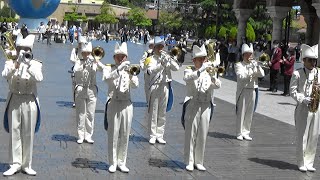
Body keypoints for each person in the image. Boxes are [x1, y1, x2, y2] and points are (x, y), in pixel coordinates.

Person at [2, 34, 43, 176]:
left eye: (26, 49)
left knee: (28, 133)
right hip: (14, 99)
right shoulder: (10, 62)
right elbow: (5, 75)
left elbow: (39, 78)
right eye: (20, 48)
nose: (23, 51)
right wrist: (16, 64)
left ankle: (27, 164)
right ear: (17, 48)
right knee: (14, 131)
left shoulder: (36, 63)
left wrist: (28, 64)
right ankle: (14, 163)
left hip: (30, 100)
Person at [182, 44, 221, 172]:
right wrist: (200, 70)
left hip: (206, 105)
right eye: (199, 59)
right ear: (194, 60)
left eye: (204, 58)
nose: (203, 61)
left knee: (202, 133)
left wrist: (214, 77)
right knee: (191, 133)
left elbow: (218, 86)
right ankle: (189, 161)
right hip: (193, 104)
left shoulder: (208, 72)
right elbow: (187, 78)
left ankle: (199, 161)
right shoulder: (189, 70)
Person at [103, 42, 138, 173]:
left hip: (127, 104)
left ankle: (122, 161)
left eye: (123, 56)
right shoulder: (109, 68)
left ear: (126, 57)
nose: (120, 58)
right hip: (113, 103)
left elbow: (135, 86)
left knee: (125, 133)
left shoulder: (130, 70)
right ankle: (112, 162)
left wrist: (132, 75)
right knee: (113, 133)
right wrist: (119, 69)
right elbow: (106, 79)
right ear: (114, 57)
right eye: (118, 56)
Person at [290, 44, 319, 172]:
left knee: (314, 135)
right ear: (304, 60)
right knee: (302, 135)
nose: (313, 63)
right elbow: (292, 91)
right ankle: (301, 162)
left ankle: (309, 162)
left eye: (314, 60)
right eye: (310, 60)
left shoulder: (318, 72)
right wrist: (302, 98)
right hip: (303, 108)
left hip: (316, 108)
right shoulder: (297, 73)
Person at [146, 36, 179, 144]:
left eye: (162, 46)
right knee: (154, 111)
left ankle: (160, 135)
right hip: (155, 85)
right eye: (158, 47)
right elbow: (151, 71)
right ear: (154, 48)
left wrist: (170, 58)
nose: (160, 49)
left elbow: (176, 68)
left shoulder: (166, 57)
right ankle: (152, 135)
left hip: (165, 85)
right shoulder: (150, 59)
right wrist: (162, 64)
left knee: (162, 111)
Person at [73, 41, 104, 144]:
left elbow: (103, 69)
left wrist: (96, 61)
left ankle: (89, 135)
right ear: (81, 53)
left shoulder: (94, 61)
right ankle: (80, 135)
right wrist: (84, 65)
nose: (86, 55)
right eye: (84, 53)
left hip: (92, 89)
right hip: (81, 89)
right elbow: (75, 70)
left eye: (88, 53)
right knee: (81, 113)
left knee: (90, 113)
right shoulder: (79, 61)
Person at [235, 43, 265, 141]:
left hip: (253, 90)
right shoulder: (239, 65)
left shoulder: (254, 64)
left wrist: (257, 66)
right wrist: (251, 70)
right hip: (243, 90)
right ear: (243, 55)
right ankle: (239, 132)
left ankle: (246, 132)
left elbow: (262, 74)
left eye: (250, 54)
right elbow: (241, 77)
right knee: (241, 112)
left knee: (249, 113)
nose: (249, 56)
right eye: (247, 54)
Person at [69, 36, 88, 107]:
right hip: (76, 69)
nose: (81, 45)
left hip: (85, 69)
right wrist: (78, 62)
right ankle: (75, 101)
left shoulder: (87, 51)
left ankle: (84, 99)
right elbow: (71, 59)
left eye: (83, 44)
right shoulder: (75, 50)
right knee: (74, 86)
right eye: (80, 44)